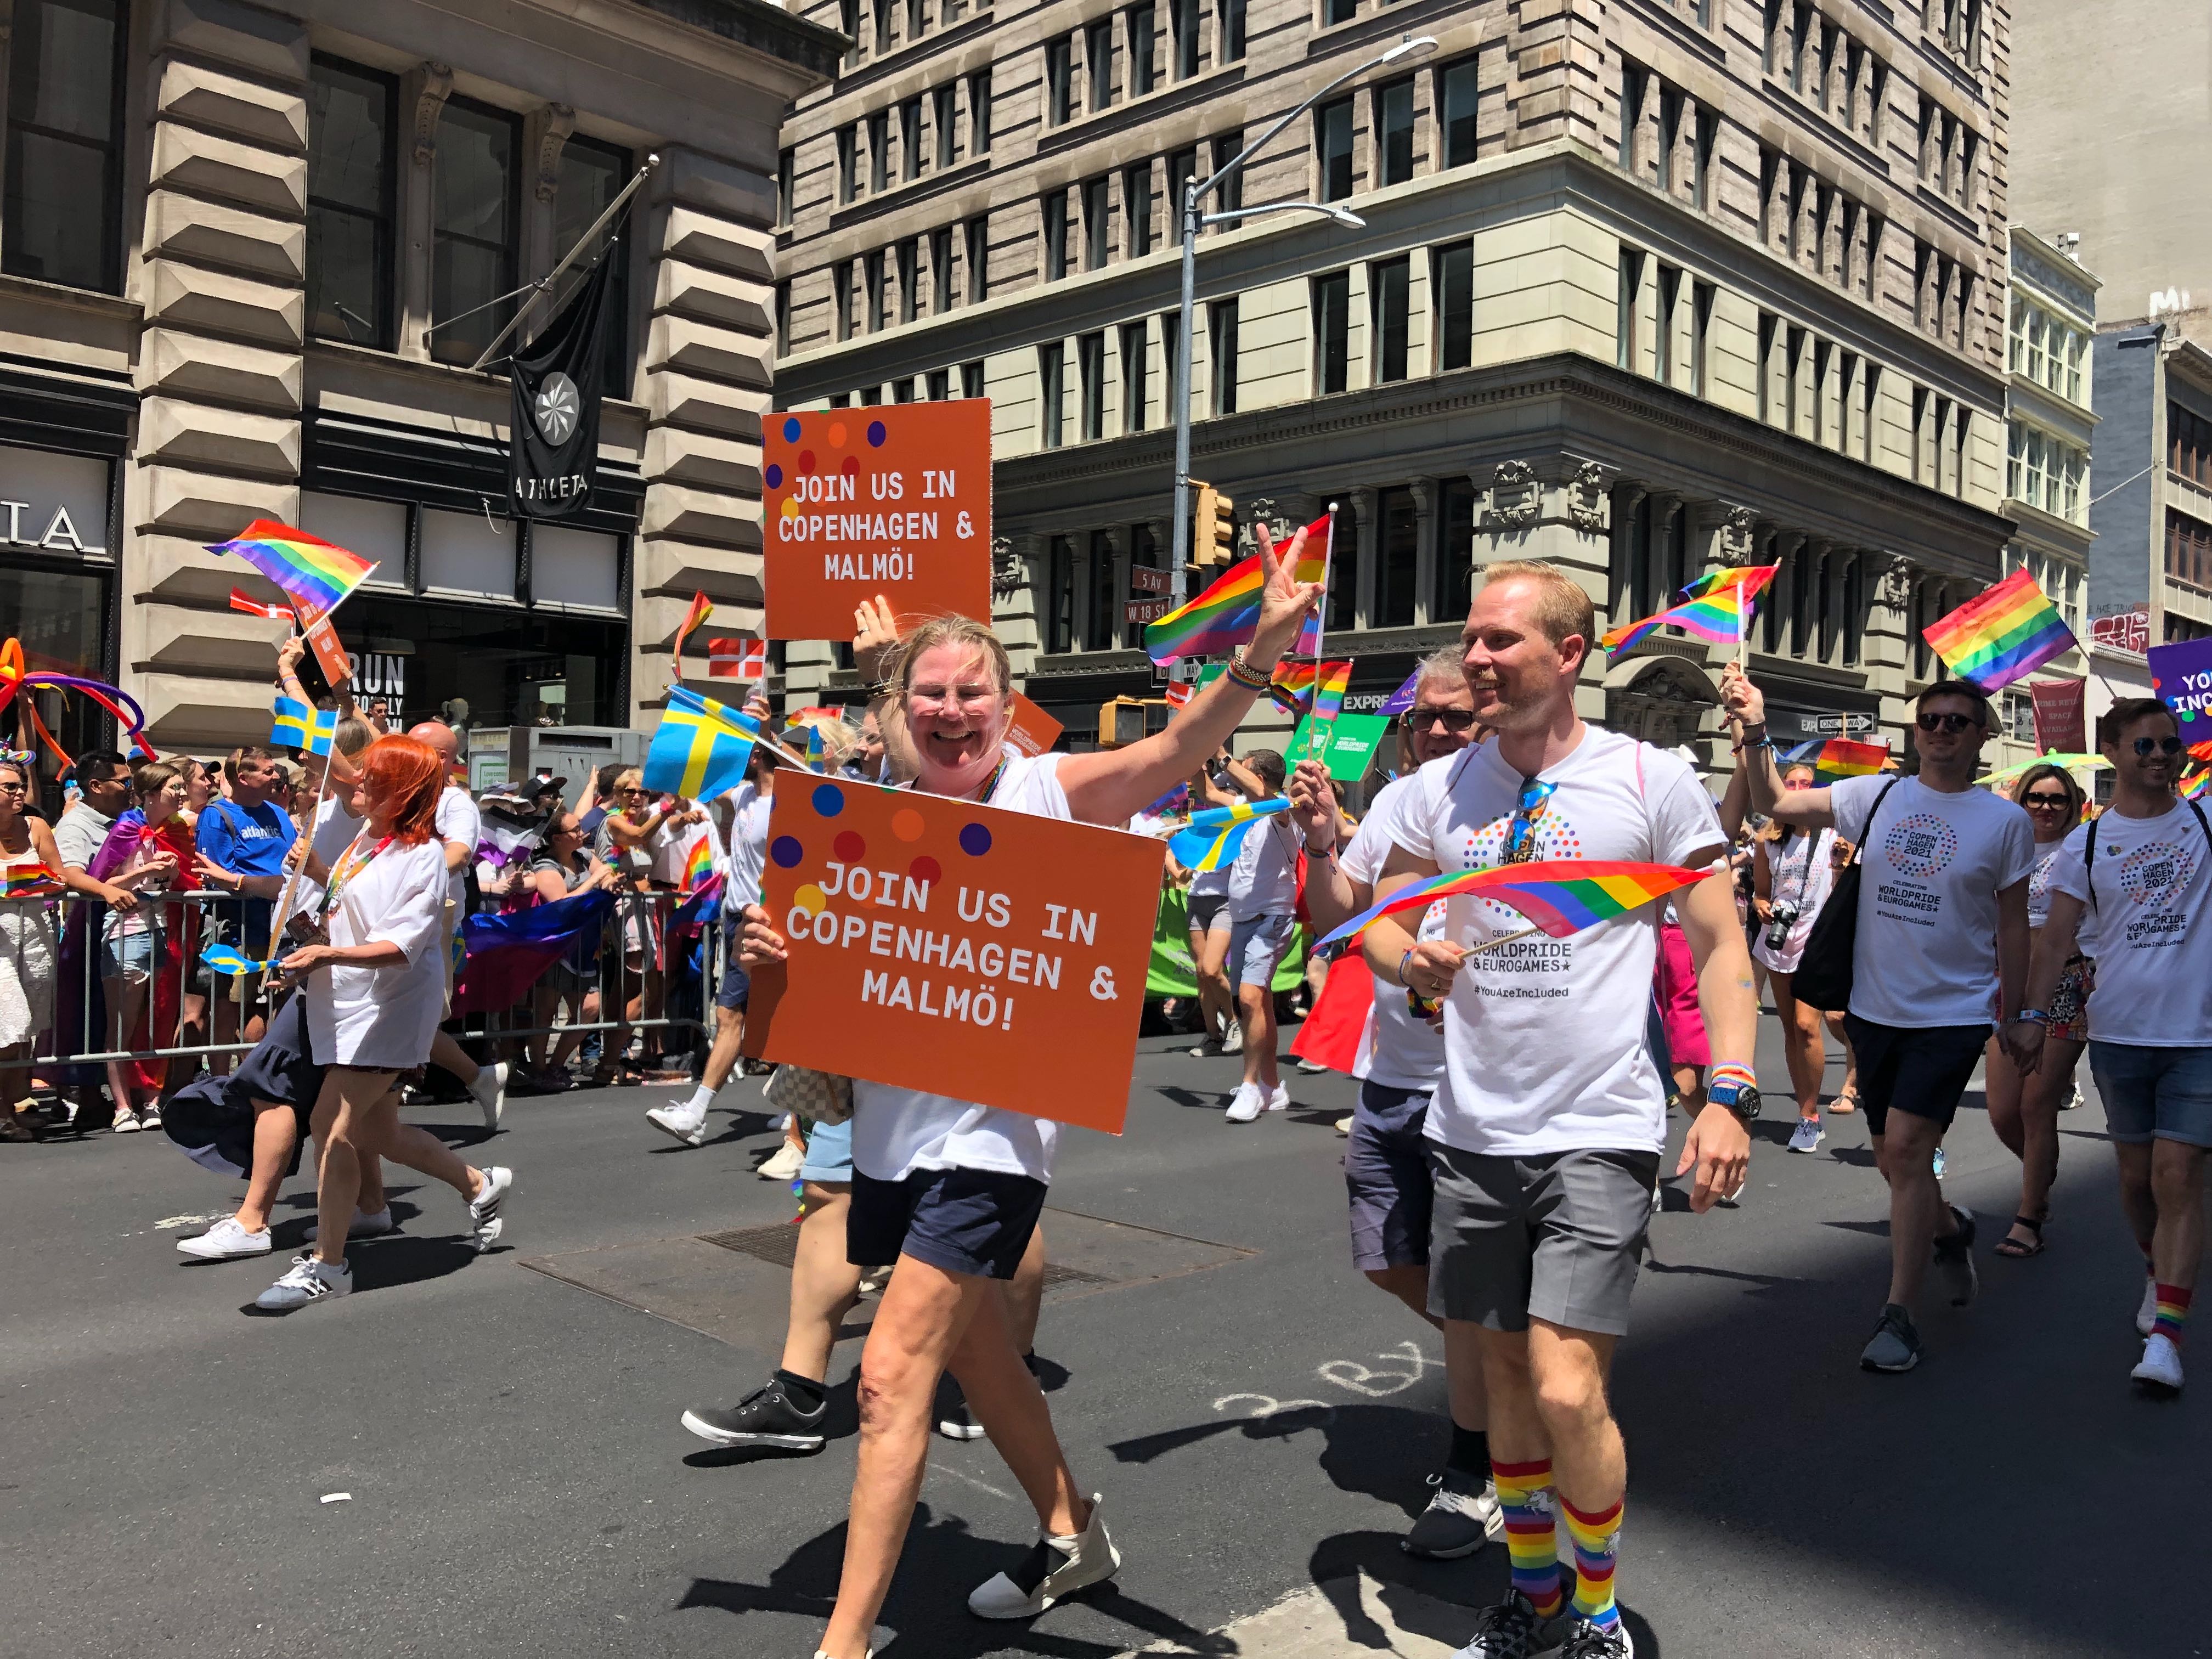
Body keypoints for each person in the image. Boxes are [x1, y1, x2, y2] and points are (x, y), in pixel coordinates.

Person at [737, 531, 1324, 1659]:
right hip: (890, 1145)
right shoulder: (864, 813)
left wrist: (1258, 653)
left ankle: (845, 1644)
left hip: (992, 1145)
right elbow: (799, 999)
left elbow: (1176, 748)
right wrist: (773, 948)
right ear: (902, 708)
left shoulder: (1052, 788)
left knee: (893, 1376)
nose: (953, 712)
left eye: (974, 694)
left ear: (1009, 707)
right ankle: (1072, 1533)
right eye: (931, 695)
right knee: (979, 1358)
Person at [1362, 562, 1756, 1659]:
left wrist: (1727, 1093)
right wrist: (1413, 963)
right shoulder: (1437, 791)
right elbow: (1379, 921)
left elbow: (1723, 949)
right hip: (1472, 1134)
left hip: (1600, 1127)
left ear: (1568, 654)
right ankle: (1533, 1601)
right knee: (1500, 1386)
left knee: (1566, 1384)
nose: (1477, 658)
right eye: (1472, 638)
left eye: (1499, 641)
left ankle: (1596, 1614)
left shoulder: (1650, 779)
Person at [1728, 665, 2032, 1374]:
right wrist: (1753, 725)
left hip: (1953, 1014)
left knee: (1904, 1147)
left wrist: (2019, 1013)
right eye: (1931, 720)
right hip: (1874, 1011)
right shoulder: (1879, 796)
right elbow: (1775, 799)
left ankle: (1898, 1315)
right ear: (1916, 731)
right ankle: (1952, 1231)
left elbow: (2014, 926)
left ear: (1982, 735)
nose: (1942, 731)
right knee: (1900, 1168)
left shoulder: (2003, 821)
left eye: (1958, 721)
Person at [1289, 645, 1499, 1560]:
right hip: (1392, 1075)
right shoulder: (1396, 804)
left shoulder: (1516, 806)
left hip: (1480, 1086)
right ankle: (1507, 1353)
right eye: (1427, 717)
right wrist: (1325, 840)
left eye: (1459, 716)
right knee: (1385, 1257)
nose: (1441, 730)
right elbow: (1332, 917)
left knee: (1462, 1279)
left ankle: (1475, 1465)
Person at [254, 736, 514, 1310]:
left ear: (404, 791)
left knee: (333, 1127)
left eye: (374, 777)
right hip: (343, 1003)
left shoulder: (424, 857)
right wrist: (304, 955)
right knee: (379, 1135)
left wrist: (327, 957)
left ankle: (329, 1264)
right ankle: (479, 1183)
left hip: (388, 1010)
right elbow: (349, 910)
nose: (359, 783)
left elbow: (400, 945)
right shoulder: (364, 843)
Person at [2007, 699, 2209, 1393]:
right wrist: (2032, 1014)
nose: (2160, 756)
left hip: (2200, 1037)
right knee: (2135, 1179)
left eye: (2170, 745)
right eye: (2145, 746)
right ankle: (2156, 1269)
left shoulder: (2206, 823)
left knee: (2178, 1176)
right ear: (2113, 753)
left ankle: (2168, 1340)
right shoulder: (2087, 846)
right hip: (2119, 1035)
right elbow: (2057, 940)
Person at [647, 691, 777, 1147]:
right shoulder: (741, 794)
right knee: (734, 1016)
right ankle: (705, 1112)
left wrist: (765, 729)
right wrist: (697, 708)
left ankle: (703, 1112)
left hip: (773, 926)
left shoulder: (790, 798)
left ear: (758, 752)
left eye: (744, 749)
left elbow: (807, 773)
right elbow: (700, 777)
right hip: (737, 920)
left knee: (753, 1019)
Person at [1981, 763, 2089, 1258]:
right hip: (2007, 985)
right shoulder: (2006, 849)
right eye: (2036, 798)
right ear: (2021, 802)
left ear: (2074, 806)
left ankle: (2028, 1216)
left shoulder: (2083, 848)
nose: (2046, 808)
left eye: (2057, 800)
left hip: (2066, 982)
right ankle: (2041, 1177)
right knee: (2003, 1111)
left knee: (2035, 1104)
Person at [1750, 761, 1839, 1153]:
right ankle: (1807, 1116)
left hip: (1819, 941)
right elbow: (1761, 892)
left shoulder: (1836, 834)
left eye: (1806, 783)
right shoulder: (1766, 841)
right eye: (1792, 783)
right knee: (1790, 1030)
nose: (1800, 789)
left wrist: (1843, 861)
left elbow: (1849, 886)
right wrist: (1762, 906)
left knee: (1807, 1025)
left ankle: (1811, 1114)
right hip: (1779, 940)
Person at [98, 763, 191, 1130]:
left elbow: (179, 879)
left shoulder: (178, 829)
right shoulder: (125, 829)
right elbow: (102, 880)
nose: (182, 794)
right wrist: (142, 871)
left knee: (159, 1018)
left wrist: (170, 870)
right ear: (151, 794)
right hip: (127, 932)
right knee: (122, 1024)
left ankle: (151, 1100)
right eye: (175, 787)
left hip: (163, 929)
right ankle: (122, 1106)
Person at [195, 746, 300, 1067]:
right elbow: (217, 877)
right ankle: (220, 1077)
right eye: (267, 771)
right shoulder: (216, 816)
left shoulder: (278, 813)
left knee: (277, 1002)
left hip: (282, 927)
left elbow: (294, 863)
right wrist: (260, 885)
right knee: (231, 1004)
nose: (275, 777)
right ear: (242, 777)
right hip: (239, 929)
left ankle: (265, 1071)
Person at [1217, 749, 1300, 1123]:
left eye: (1243, 768)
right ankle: (1272, 1084)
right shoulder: (1240, 808)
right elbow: (1207, 795)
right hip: (1243, 918)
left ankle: (1250, 1086)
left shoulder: (1282, 808)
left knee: (1250, 999)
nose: (1235, 774)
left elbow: (1263, 795)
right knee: (1256, 1003)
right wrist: (1200, 756)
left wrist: (1222, 756)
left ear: (1260, 777)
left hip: (1273, 917)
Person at [0, 754, 77, 1139]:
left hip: (33, 935)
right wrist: (20, 882)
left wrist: (24, 882)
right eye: (9, 787)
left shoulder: (37, 827)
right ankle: (3, 1113)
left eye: (19, 786)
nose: (20, 793)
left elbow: (59, 878)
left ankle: (14, 1106)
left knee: (26, 1030)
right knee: (8, 1026)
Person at [1182, 752, 1241, 1058]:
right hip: (1197, 900)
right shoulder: (1203, 831)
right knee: (1201, 974)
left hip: (1224, 903)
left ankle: (1233, 1022)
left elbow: (1210, 791)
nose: (1214, 805)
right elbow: (1184, 869)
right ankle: (1212, 1036)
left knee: (1212, 968)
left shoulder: (1239, 830)